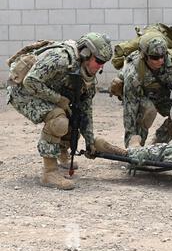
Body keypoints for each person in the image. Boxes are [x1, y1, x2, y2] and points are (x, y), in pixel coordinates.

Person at [6, 33, 113, 190]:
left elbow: (85, 109)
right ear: (86, 53)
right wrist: (59, 100)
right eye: (99, 61)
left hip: (44, 89)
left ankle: (62, 153)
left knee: (73, 115)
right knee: (59, 119)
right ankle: (49, 172)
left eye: (104, 63)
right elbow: (31, 81)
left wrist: (90, 142)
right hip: (23, 91)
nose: (101, 66)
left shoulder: (86, 74)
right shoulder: (60, 59)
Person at [111, 32, 172, 148]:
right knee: (149, 112)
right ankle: (138, 150)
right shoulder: (134, 73)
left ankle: (157, 146)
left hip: (161, 94)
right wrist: (131, 141)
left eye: (162, 56)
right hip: (141, 95)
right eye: (154, 57)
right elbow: (130, 111)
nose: (160, 61)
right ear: (144, 56)